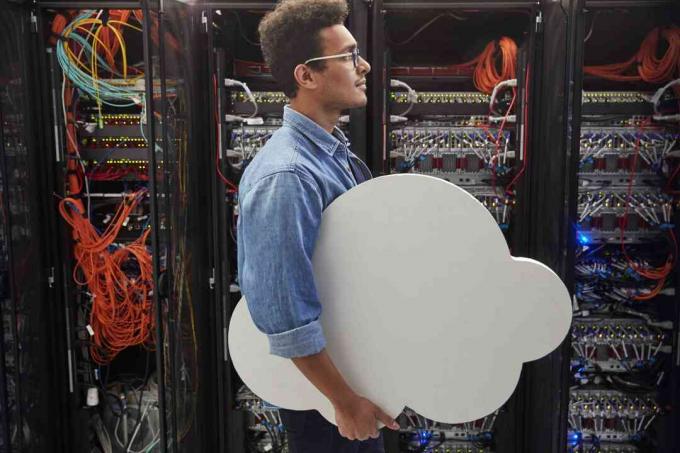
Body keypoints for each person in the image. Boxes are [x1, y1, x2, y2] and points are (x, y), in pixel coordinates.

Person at [236, 0, 400, 451]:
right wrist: (345, 402)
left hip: (347, 377)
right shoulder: (287, 176)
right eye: (348, 56)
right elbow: (286, 315)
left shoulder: (329, 154)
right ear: (305, 76)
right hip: (326, 398)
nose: (363, 65)